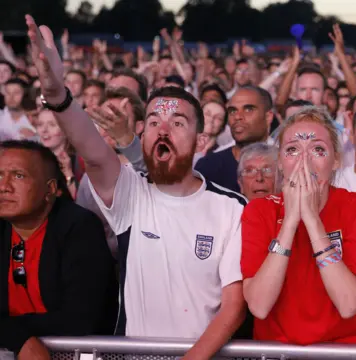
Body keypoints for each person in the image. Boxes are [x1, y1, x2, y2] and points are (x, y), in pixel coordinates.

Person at [27, 15, 246, 360]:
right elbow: (93, 152)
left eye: (177, 123)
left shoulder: (232, 207)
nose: (163, 130)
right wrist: (57, 95)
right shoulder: (132, 193)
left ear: (201, 140)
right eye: (155, 121)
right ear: (142, 136)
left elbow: (234, 307)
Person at [241, 106, 356, 344]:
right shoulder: (260, 211)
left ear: (336, 160)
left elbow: (348, 304)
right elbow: (259, 306)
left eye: (317, 149)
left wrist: (313, 220)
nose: (304, 161)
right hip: (276, 351)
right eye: (293, 150)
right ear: (280, 162)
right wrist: (290, 221)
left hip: (337, 352)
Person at [0, 140, 117, 359]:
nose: (4, 186)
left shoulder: (79, 228)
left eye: (18, 176)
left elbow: (79, 318)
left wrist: (11, 331)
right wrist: (19, 337)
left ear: (51, 189)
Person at [196, 85, 274, 193]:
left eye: (248, 109)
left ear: (268, 117)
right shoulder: (208, 166)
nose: (237, 116)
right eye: (233, 111)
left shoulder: (284, 166)